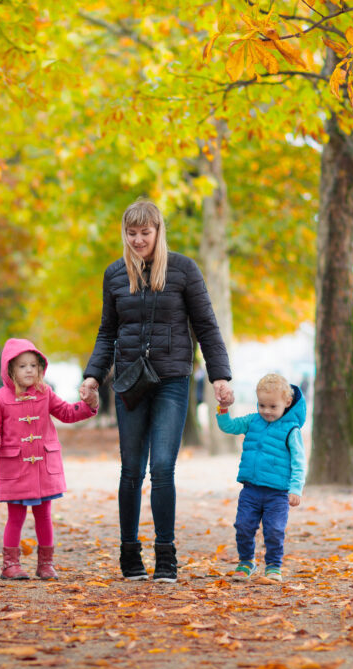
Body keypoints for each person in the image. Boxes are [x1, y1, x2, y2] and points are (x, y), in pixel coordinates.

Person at [79, 198, 234, 583]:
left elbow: (206, 325)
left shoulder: (183, 270)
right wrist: (93, 376)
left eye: (144, 233)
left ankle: (166, 554)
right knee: (131, 469)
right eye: (131, 234)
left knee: (162, 466)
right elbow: (107, 332)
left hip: (171, 380)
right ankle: (129, 553)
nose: (137, 240)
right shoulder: (115, 274)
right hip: (130, 383)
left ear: (158, 231)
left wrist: (220, 376)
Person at [0, 338, 99, 580]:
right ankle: (10, 564)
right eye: (22, 366)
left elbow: (66, 413)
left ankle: (46, 564)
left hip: (43, 467)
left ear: (41, 369)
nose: (29, 370)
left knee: (44, 515)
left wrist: (87, 406)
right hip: (15, 467)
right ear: (10, 370)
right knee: (15, 516)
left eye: (33, 366)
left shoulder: (45, 393)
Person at [216, 373, 306, 584]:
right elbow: (228, 426)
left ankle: (274, 565)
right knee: (243, 525)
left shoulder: (291, 430)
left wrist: (296, 489)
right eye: (262, 405)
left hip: (277, 493)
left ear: (287, 402)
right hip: (251, 490)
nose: (266, 411)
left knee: (274, 530)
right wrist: (223, 408)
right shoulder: (252, 421)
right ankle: (246, 561)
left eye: (272, 406)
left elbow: (299, 461)